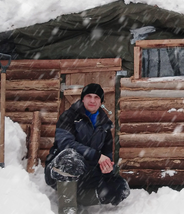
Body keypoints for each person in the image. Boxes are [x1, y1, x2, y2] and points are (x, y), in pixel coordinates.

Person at [44, 83, 130, 214]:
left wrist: (107, 169)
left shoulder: (105, 125)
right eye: (89, 96)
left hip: (86, 173)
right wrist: (96, 156)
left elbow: (107, 155)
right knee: (70, 158)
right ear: (82, 98)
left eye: (96, 97)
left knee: (120, 187)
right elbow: (65, 144)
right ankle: (68, 209)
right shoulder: (69, 116)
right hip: (59, 169)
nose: (92, 100)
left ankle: (77, 198)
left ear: (101, 101)